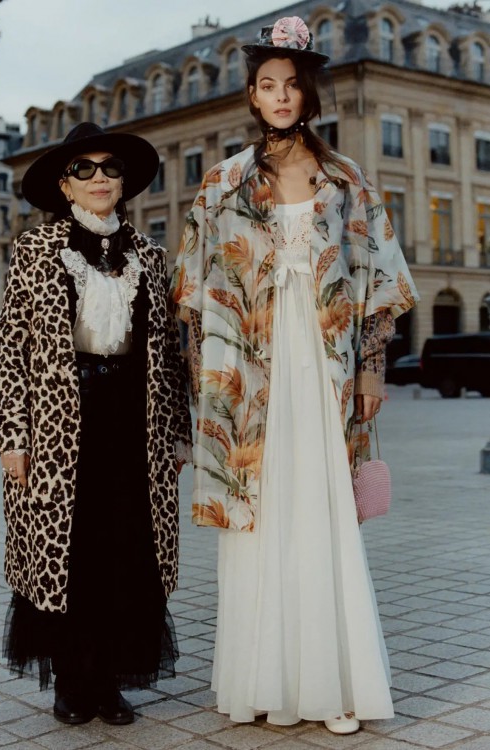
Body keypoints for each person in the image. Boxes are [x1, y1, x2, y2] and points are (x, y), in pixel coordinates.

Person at [171, 16, 418, 735]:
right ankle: (261, 684)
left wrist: (370, 371)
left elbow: (378, 281)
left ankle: (330, 687)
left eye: (291, 85)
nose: (280, 96)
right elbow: (194, 292)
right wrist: (204, 389)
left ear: (309, 94)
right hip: (245, 373)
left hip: (321, 360)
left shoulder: (345, 180)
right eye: (267, 85)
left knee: (319, 507)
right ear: (252, 95)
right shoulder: (222, 182)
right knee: (257, 509)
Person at [0, 122, 192, 726]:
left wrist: (177, 430)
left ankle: (110, 683)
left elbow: (169, 352)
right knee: (67, 550)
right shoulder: (34, 250)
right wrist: (12, 434)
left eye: (110, 168)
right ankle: (72, 682)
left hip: (134, 418)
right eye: (85, 169)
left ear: (123, 182)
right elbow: (11, 346)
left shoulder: (151, 256)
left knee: (126, 546)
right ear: (65, 185)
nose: (99, 177)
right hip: (59, 422)